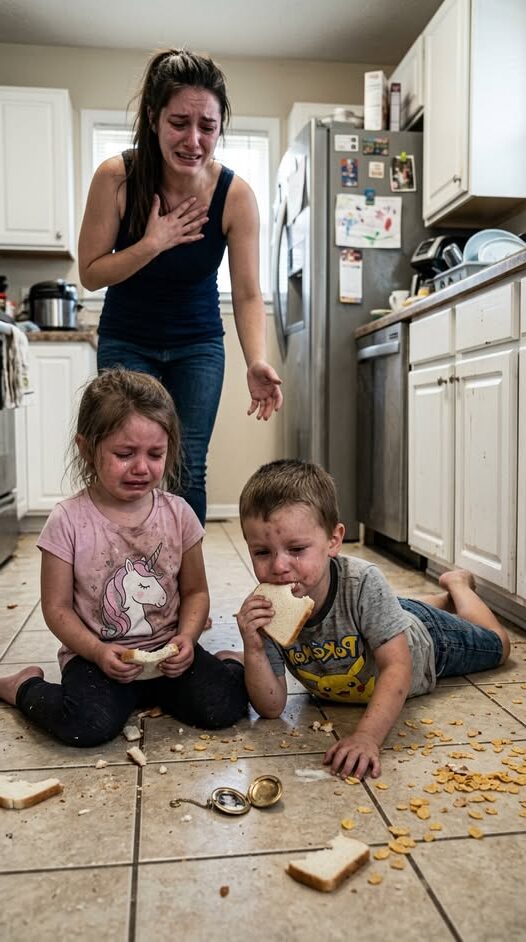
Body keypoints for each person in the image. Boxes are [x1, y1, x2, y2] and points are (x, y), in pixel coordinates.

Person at [78, 48, 283, 525]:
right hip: (127, 339)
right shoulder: (117, 178)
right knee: (126, 460)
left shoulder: (235, 196)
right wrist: (153, 243)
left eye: (207, 126)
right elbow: (90, 272)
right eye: (179, 123)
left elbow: (248, 293)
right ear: (153, 117)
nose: (194, 140)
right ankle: (123, 561)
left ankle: (182, 568)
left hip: (198, 346)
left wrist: (256, 359)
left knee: (187, 468)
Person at [0, 369, 248, 746]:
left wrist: (186, 637)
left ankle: (230, 660)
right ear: (87, 449)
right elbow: (57, 608)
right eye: (124, 454)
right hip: (96, 657)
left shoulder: (179, 514)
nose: (141, 467)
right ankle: (22, 686)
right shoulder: (67, 520)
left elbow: (196, 592)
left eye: (155, 454)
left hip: (167, 653)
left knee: (225, 706)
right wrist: (98, 652)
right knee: (86, 725)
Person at [234, 459, 510, 780]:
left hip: (428, 641)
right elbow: (271, 707)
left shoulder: (363, 582)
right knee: (385, 611)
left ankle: (457, 585)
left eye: (296, 549)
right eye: (262, 553)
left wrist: (367, 737)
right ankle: (410, 604)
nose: (279, 567)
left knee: (499, 646)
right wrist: (253, 647)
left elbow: (397, 666)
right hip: (380, 619)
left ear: (333, 540)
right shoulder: (266, 611)